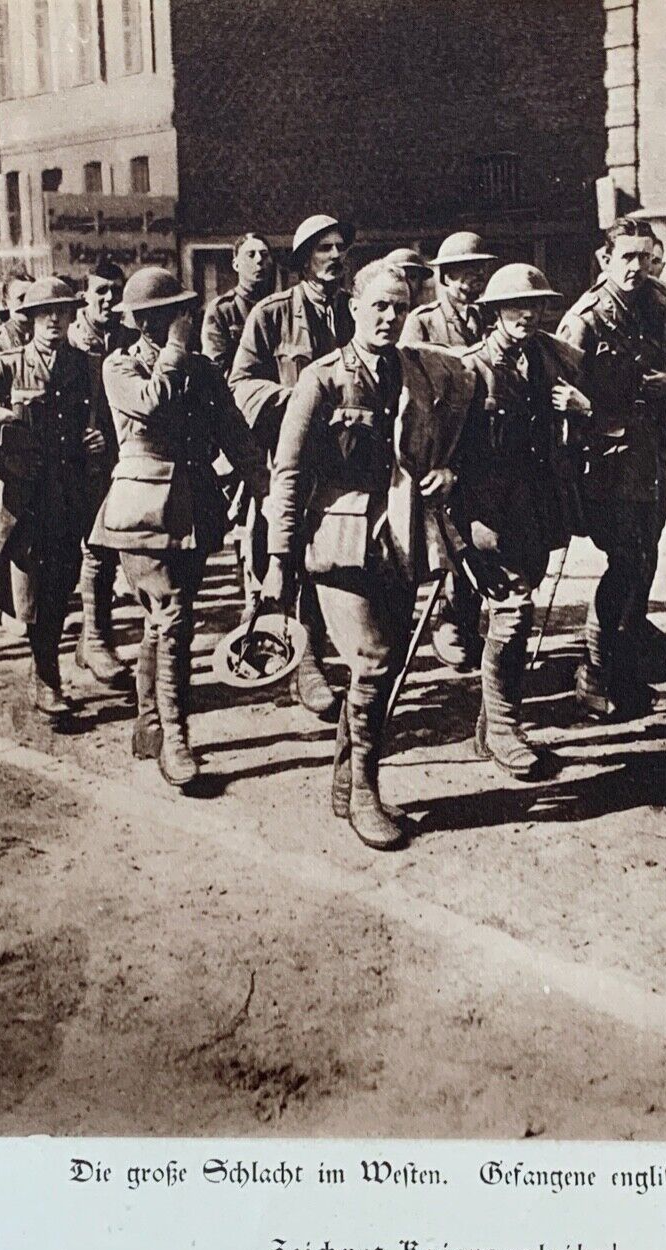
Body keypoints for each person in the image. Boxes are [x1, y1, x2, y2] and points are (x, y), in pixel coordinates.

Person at [262, 259, 475, 850]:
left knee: (382, 672)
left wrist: (448, 474)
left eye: (400, 308)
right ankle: (364, 792)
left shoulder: (420, 371)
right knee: (376, 662)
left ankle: (342, 779)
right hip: (338, 542)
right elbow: (289, 473)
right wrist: (279, 560)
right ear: (354, 308)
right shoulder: (324, 379)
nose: (389, 317)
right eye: (378, 306)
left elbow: (452, 429)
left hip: (401, 536)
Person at [91, 267, 268, 788]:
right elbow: (150, 404)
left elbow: (236, 437)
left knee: (163, 621)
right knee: (172, 616)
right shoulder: (119, 366)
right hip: (142, 511)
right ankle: (175, 738)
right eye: (174, 315)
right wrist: (175, 352)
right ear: (148, 323)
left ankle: (150, 724)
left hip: (193, 511)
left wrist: (269, 492)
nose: (184, 322)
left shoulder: (203, 371)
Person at [557, 217, 666, 717]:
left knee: (645, 560)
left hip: (657, 458)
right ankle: (596, 674)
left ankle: (622, 664)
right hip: (610, 462)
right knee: (626, 563)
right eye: (626, 257)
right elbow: (561, 400)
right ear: (605, 260)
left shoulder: (664, 307)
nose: (637, 266)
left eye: (645, 256)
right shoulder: (585, 320)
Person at [456, 264, 589, 778]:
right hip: (488, 514)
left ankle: (490, 727)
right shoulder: (471, 369)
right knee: (512, 612)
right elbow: (445, 450)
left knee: (517, 615)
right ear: (494, 313)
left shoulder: (553, 361)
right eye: (515, 306)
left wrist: (580, 410)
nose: (527, 314)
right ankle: (506, 731)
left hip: (536, 509)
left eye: (535, 306)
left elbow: (580, 428)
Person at [0, 277, 103, 715]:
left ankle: (47, 662)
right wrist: (1, 443)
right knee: (31, 586)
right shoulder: (8, 364)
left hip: (69, 492)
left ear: (73, 315)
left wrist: (96, 440)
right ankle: (45, 674)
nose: (53, 319)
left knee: (64, 581)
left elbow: (103, 422)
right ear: (29, 318)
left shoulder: (87, 366)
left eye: (61, 311)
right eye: (43, 312)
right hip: (23, 496)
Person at [230, 212, 356, 719]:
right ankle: (303, 664)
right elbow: (240, 384)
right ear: (304, 259)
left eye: (339, 248)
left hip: (343, 460)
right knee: (285, 555)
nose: (334, 256)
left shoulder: (353, 310)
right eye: (323, 249)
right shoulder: (271, 314)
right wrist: (297, 403)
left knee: (332, 555)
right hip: (288, 456)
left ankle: (318, 654)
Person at [400, 231, 499, 673]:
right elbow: (413, 386)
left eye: (477, 274)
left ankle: (464, 620)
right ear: (443, 277)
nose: (470, 283)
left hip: (478, 443)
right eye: (461, 275)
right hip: (437, 443)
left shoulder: (490, 318)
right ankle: (445, 624)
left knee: (479, 533)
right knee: (440, 538)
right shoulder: (421, 321)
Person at [66, 259, 138, 687]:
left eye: (116, 291)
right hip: (77, 464)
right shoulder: (71, 342)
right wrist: (78, 436)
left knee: (107, 549)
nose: (110, 300)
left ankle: (95, 639)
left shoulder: (127, 339)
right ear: (85, 297)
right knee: (94, 549)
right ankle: (93, 638)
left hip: (120, 458)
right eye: (101, 293)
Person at [201, 233, 275, 373]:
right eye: (251, 255)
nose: (259, 260)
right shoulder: (222, 310)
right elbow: (217, 367)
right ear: (236, 265)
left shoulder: (279, 307)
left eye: (264, 254)